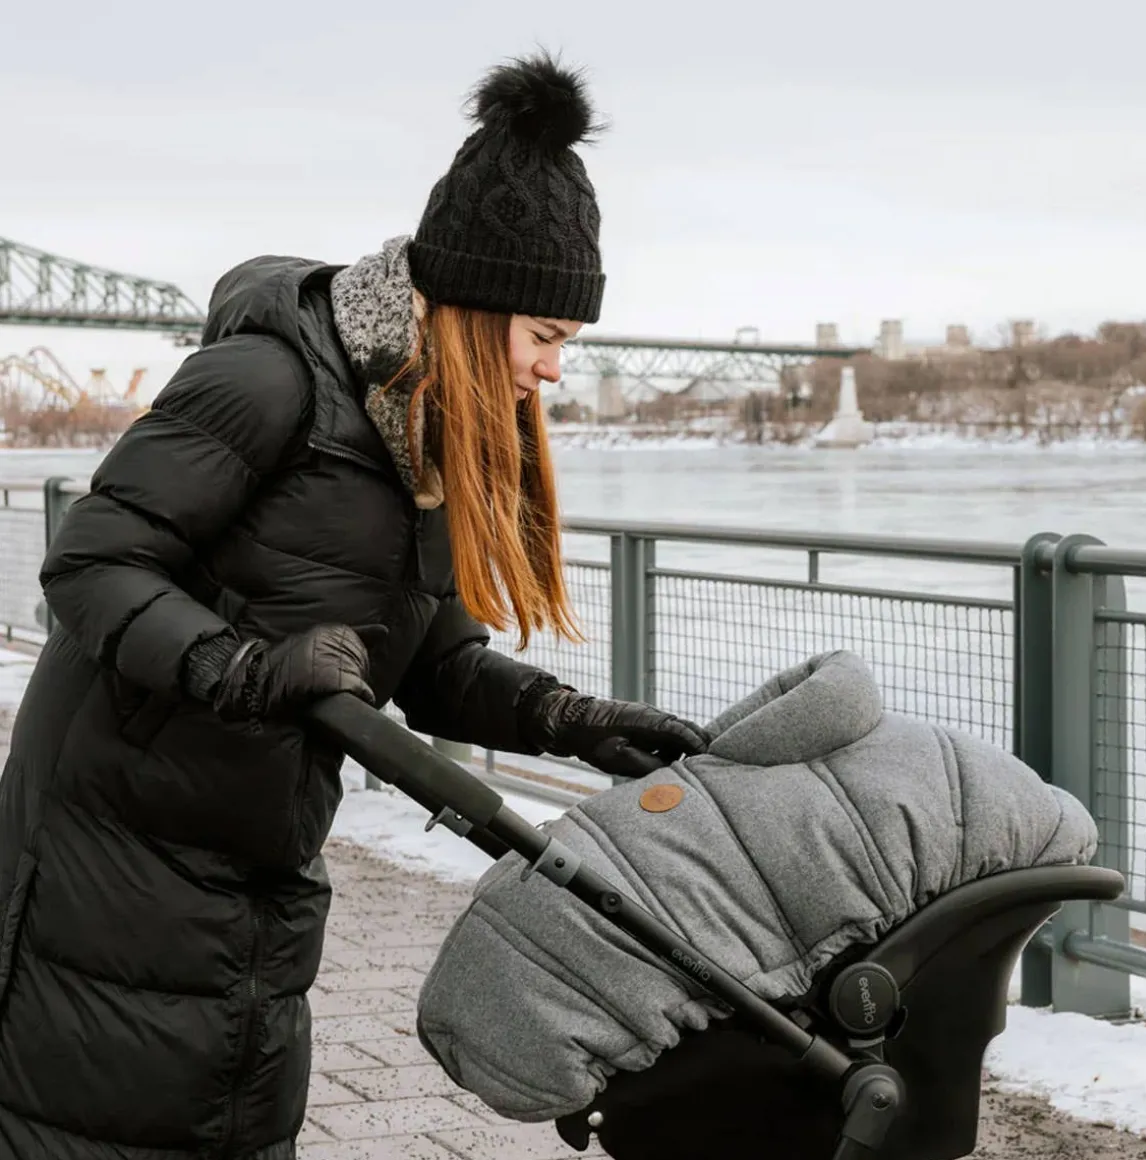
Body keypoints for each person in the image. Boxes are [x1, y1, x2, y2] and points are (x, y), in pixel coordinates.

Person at [0, 51, 709, 1160]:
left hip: (255, 863)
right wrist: (238, 667)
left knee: (229, 1119)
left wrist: (563, 720)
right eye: (544, 339)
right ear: (472, 312)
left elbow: (429, 661)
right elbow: (90, 564)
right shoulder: (268, 381)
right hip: (114, 848)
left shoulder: (418, 439)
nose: (552, 373)